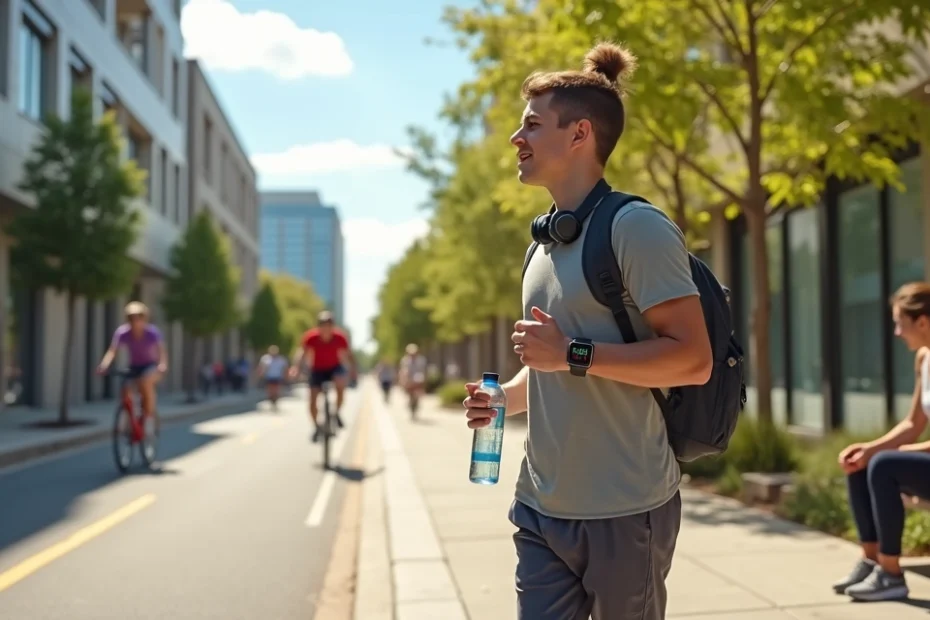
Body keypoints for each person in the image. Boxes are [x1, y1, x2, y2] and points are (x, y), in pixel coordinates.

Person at [461, 42, 712, 620]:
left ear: (578, 135)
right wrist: (504, 396)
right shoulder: (542, 245)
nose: (515, 139)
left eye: (531, 125)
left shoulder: (638, 228)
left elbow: (691, 359)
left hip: (625, 506)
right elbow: (547, 370)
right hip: (540, 505)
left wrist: (572, 353)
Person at [832, 282, 930, 602]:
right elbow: (913, 423)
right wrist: (869, 449)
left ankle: (891, 575)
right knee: (862, 462)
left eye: (900, 323)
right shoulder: (924, 360)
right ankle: (873, 561)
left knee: (884, 463)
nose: (897, 333)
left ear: (923, 322)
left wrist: (886, 454)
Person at [97, 301, 168, 424]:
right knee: (125, 388)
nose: (135, 320)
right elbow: (112, 351)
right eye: (131, 317)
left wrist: (162, 364)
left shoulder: (152, 333)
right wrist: (104, 365)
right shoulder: (123, 332)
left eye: (139, 317)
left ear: (144, 318)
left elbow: (162, 351)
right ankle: (130, 420)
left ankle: (149, 416)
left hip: (150, 365)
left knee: (145, 382)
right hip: (134, 366)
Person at [291, 311, 354, 441]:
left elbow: (348, 355)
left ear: (333, 326)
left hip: (335, 367)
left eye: (329, 325)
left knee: (340, 384)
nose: (326, 328)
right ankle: (316, 426)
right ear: (319, 326)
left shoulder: (340, 337)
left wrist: (353, 370)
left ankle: (336, 413)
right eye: (323, 325)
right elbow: (302, 353)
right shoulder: (311, 337)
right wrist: (296, 367)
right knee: (312, 399)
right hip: (317, 369)